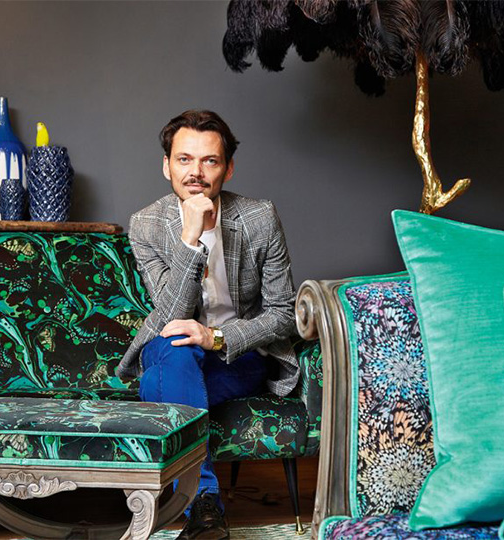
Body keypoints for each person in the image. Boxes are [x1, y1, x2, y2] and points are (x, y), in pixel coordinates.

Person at [116, 110, 299, 539]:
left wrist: (214, 337)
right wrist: (190, 239)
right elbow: (171, 312)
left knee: (159, 384)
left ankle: (196, 504)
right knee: (174, 348)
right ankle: (206, 506)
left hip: (238, 356)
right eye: (184, 159)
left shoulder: (258, 218)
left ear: (227, 168)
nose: (195, 172)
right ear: (166, 166)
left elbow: (283, 313)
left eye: (209, 161)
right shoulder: (146, 224)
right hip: (172, 347)